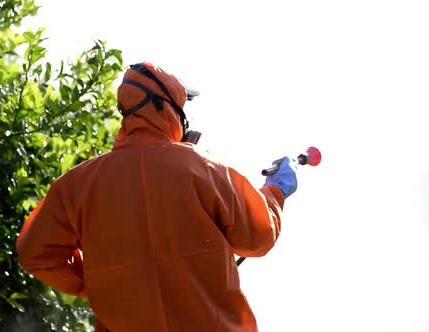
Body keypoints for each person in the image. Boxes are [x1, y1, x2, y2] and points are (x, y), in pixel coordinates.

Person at [16, 62, 298, 332]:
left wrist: (100, 282)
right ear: (165, 107)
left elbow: (35, 253)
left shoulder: (77, 185)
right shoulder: (205, 168)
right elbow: (258, 237)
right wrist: (275, 190)